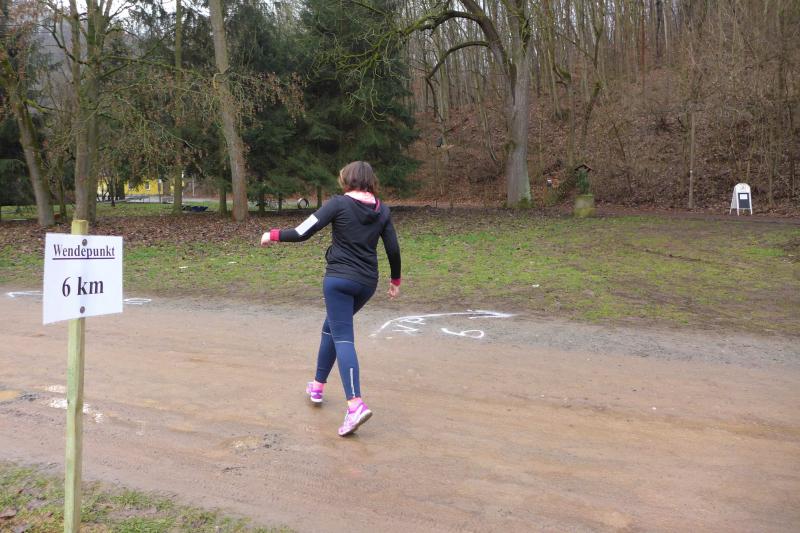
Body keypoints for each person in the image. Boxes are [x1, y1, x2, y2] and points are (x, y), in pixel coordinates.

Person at [260, 161, 401, 436]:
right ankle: (317, 385)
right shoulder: (382, 209)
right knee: (332, 328)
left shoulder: (338, 204)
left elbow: (302, 232)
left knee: (343, 337)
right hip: (366, 284)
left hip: (338, 282)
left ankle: (355, 405)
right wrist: (395, 280)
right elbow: (393, 249)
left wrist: (272, 234)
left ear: (347, 180)